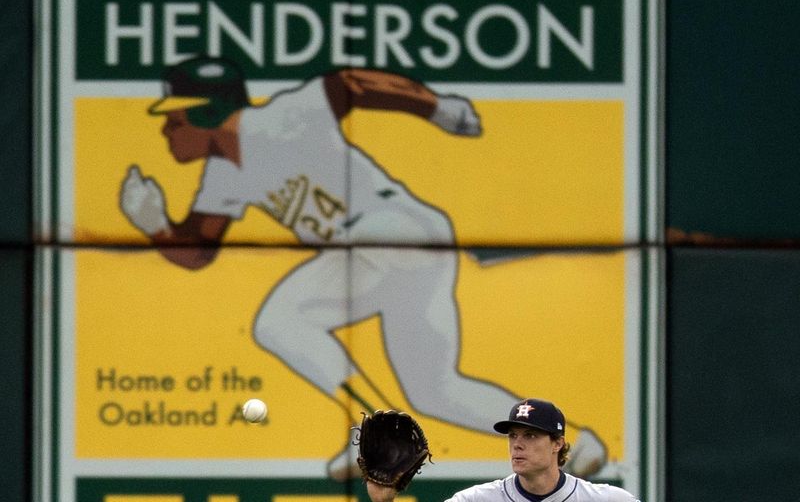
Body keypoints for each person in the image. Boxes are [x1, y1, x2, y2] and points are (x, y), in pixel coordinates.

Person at [119, 55, 608, 480]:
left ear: (206, 112)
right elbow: (199, 252)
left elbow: (353, 83)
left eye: (174, 116)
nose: (166, 128)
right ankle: (576, 444)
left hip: (391, 230)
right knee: (435, 391)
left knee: (279, 321)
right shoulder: (223, 173)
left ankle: (377, 435)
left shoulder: (283, 117)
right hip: (410, 244)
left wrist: (434, 106)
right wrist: (157, 226)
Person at [366, 399, 640, 502]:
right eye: (513, 436)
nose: (517, 444)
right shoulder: (476, 500)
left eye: (531, 435)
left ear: (558, 444)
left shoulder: (608, 499)